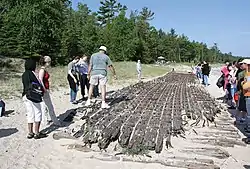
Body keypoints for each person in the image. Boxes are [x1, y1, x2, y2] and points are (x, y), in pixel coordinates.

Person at [22, 58, 46, 139]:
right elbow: (38, 84)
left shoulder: (24, 74)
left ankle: (30, 132)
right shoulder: (32, 74)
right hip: (33, 95)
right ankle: (37, 132)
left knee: (30, 113)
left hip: (25, 95)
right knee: (38, 112)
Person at [38, 56, 62, 126]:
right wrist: (44, 89)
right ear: (46, 62)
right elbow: (40, 80)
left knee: (44, 106)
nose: (49, 64)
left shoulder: (43, 70)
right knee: (49, 106)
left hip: (45, 89)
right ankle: (55, 121)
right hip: (44, 90)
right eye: (49, 62)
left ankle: (45, 120)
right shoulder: (42, 70)